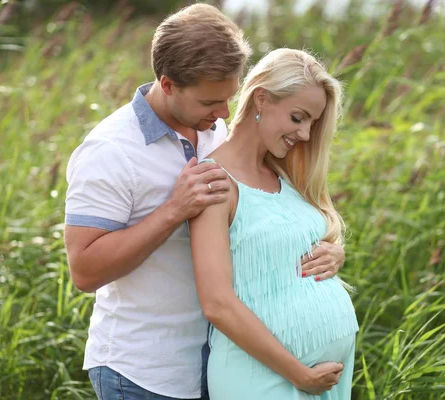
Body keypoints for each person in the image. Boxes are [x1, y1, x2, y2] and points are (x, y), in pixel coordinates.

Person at [63, 4, 347, 400]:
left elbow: (260, 229)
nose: (223, 114)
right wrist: (173, 211)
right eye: (210, 103)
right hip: (144, 372)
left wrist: (329, 250)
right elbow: (85, 271)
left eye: (229, 98)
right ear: (167, 84)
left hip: (217, 360)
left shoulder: (214, 131)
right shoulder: (110, 151)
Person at [189, 48, 360, 399]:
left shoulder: (285, 172)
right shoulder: (214, 181)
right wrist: (300, 374)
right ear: (262, 99)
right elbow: (217, 304)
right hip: (262, 378)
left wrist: (334, 251)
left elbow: (288, 242)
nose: (306, 134)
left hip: (320, 382)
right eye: (298, 118)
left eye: (313, 122)